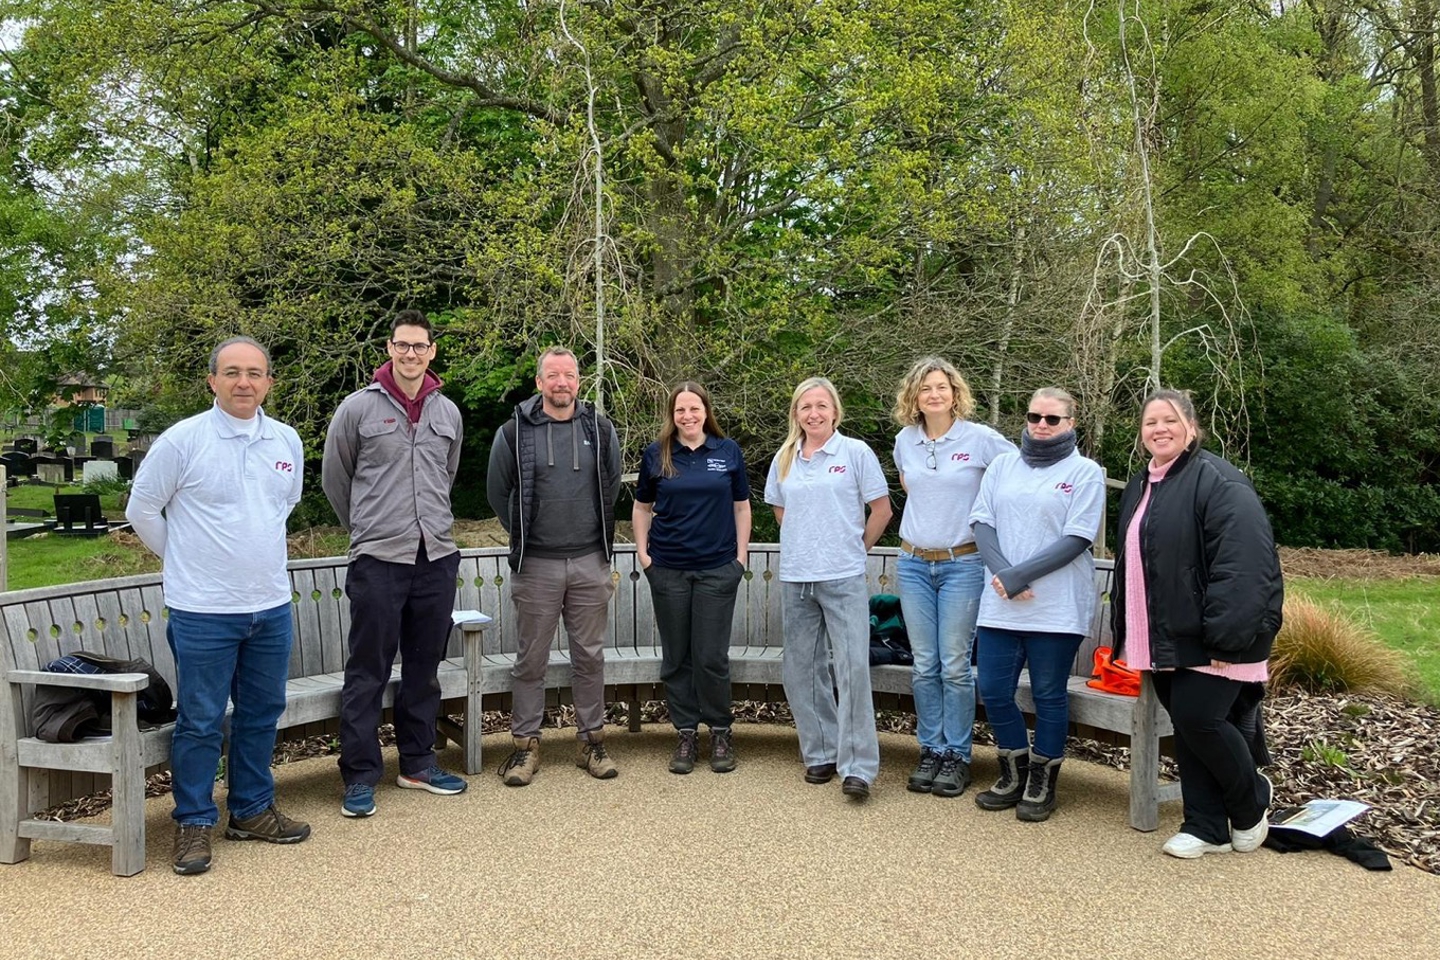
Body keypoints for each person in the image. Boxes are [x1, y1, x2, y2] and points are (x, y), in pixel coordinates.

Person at [126, 337, 311, 875]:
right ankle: (193, 823)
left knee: (260, 715)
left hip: (270, 606)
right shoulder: (183, 441)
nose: (244, 382)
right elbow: (143, 509)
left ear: (269, 382)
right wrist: (185, 561)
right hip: (203, 610)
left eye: (254, 373)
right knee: (202, 721)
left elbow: (284, 506)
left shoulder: (286, 440)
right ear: (212, 381)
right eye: (232, 372)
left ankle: (251, 811)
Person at [1113, 388, 1283, 859]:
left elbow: (1245, 564)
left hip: (1219, 635)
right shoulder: (1143, 483)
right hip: (1166, 635)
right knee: (1189, 727)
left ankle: (1251, 801)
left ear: (1191, 426)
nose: (1159, 429)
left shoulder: (1219, 480)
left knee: (1198, 718)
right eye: (1150, 422)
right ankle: (1206, 825)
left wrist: (1226, 636)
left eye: (1169, 420)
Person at [322, 310, 467, 819]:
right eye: (402, 345)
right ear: (389, 349)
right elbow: (336, 481)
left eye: (420, 346)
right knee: (368, 670)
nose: (411, 354)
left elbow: (444, 477)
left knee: (424, 669)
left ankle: (418, 764)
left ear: (432, 352)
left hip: (436, 557)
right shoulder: (357, 410)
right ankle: (361, 775)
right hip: (378, 559)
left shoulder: (447, 412)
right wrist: (369, 526)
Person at [487, 346, 622, 785]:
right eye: (553, 375)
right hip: (538, 565)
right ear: (539, 382)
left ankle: (591, 743)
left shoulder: (600, 430)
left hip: (589, 561)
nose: (561, 382)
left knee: (590, 657)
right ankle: (525, 748)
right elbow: (497, 492)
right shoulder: (514, 432)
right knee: (531, 661)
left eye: (569, 375)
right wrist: (528, 532)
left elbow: (612, 482)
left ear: (578, 382)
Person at [968, 386, 1104, 822]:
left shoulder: (1085, 472)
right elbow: (981, 522)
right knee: (993, 689)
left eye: (1052, 419)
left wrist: (1020, 575)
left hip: (1056, 606)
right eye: (1034, 417)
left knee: (1048, 694)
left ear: (1071, 423)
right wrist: (1006, 575)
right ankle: (1012, 771)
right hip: (1001, 602)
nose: (1041, 426)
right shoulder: (1003, 466)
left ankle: (1043, 780)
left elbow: (1078, 537)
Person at [891, 357, 1016, 798]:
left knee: (955, 665)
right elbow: (914, 490)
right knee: (925, 665)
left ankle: (958, 756)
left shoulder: (981, 440)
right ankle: (931, 749)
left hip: (963, 563)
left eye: (941, 387)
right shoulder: (905, 441)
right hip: (912, 562)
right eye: (925, 389)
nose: (934, 395)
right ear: (914, 397)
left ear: (955, 392)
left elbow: (1019, 475)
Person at [764, 377, 892, 800]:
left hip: (843, 576)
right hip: (798, 578)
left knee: (852, 668)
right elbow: (783, 514)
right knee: (801, 670)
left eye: (821, 406)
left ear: (835, 411)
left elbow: (881, 510)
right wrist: (811, 544)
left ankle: (858, 767)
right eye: (805, 407)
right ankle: (820, 751)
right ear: (795, 414)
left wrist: (855, 547)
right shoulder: (784, 458)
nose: (813, 413)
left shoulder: (856, 453)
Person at [633, 382, 752, 774]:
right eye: (680, 410)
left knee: (711, 657)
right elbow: (642, 508)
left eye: (694, 409)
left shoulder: (727, 451)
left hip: (718, 570)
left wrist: (739, 558)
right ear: (672, 415)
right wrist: (645, 555)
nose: (687, 416)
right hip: (668, 570)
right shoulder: (657, 454)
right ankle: (685, 732)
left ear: (706, 412)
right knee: (677, 657)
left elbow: (741, 507)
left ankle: (720, 730)